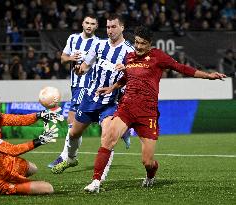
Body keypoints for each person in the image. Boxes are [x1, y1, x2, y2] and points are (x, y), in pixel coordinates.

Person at [84, 25, 227, 193]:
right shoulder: (129, 57)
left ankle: (151, 175)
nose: (138, 46)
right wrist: (111, 88)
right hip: (126, 107)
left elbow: (181, 68)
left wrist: (208, 76)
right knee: (108, 138)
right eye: (136, 42)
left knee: (147, 161)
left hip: (147, 113)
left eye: (142, 43)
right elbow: (126, 77)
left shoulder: (158, 57)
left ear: (149, 44)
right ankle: (96, 181)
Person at [51, 14, 135, 181]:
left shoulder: (129, 51)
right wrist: (79, 70)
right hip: (90, 98)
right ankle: (71, 158)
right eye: (108, 27)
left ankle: (99, 179)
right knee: (74, 133)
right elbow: (85, 65)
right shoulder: (99, 44)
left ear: (122, 28)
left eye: (113, 27)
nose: (110, 30)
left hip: (110, 102)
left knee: (107, 138)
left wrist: (126, 68)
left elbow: (136, 75)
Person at [0, 95, 63, 195]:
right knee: (48, 188)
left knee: (32, 168)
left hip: (3, 163)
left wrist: (39, 115)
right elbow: (12, 150)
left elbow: (18, 119)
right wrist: (39, 141)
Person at [47, 14, 99, 168]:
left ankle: (65, 157)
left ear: (96, 26)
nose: (89, 26)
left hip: (87, 86)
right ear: (82, 23)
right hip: (75, 86)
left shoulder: (98, 43)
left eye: (93, 24)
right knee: (75, 124)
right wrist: (71, 58)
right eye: (87, 22)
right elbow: (63, 58)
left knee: (72, 121)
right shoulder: (73, 39)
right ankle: (71, 156)